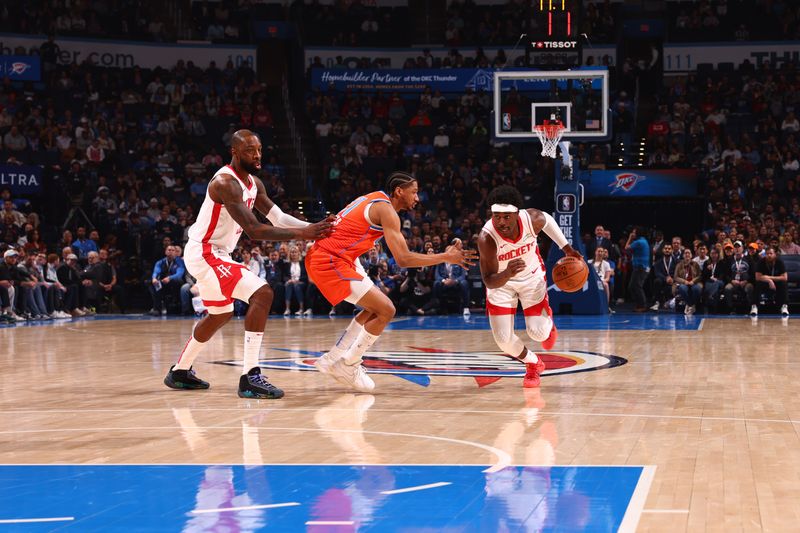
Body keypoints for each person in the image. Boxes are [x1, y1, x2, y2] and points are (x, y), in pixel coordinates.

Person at [163, 129, 332, 399]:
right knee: (262, 293)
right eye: (250, 151)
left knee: (220, 314)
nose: (257, 155)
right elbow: (255, 230)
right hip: (205, 252)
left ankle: (180, 371)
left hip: (217, 253)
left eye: (259, 150)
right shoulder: (224, 183)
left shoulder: (254, 183)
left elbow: (277, 217)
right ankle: (250, 376)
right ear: (235, 152)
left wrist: (312, 228)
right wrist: (304, 234)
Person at [308, 171, 476, 392]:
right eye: (414, 192)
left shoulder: (374, 198)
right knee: (386, 310)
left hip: (337, 255)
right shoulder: (386, 210)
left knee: (374, 308)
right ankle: (349, 364)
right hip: (330, 260)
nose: (418, 198)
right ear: (399, 191)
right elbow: (404, 259)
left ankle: (333, 358)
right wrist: (446, 257)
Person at [477, 186, 582, 388]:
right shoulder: (486, 238)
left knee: (538, 333)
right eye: (496, 216)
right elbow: (489, 280)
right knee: (503, 341)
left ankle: (548, 325)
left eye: (506, 217)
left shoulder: (531, 219)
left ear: (517, 214)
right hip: (501, 284)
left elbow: (548, 221)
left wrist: (567, 248)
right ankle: (533, 363)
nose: (501, 222)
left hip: (531, 278)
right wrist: (507, 273)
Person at [148, 245, 186, 315]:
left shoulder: (180, 262)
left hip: (175, 282)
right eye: (169, 250)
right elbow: (156, 271)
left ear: (175, 253)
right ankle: (157, 308)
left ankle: (178, 306)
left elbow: (179, 274)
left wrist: (170, 278)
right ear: (165, 252)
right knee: (152, 283)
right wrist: (154, 278)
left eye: (173, 250)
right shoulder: (160, 262)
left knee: (177, 280)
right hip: (163, 282)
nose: (171, 252)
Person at [754, 246, 789, 317]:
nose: (769, 255)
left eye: (771, 253)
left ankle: (784, 306)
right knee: (757, 283)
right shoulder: (761, 262)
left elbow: (785, 277)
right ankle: (754, 306)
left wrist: (769, 278)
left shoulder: (779, 262)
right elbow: (757, 277)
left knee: (784, 283)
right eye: (767, 254)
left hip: (777, 283)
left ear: (775, 254)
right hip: (765, 282)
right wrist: (769, 280)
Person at [625, 226, 651, 312]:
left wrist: (629, 238)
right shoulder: (643, 240)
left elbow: (626, 248)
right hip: (641, 267)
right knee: (632, 286)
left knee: (636, 286)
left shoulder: (639, 242)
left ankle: (643, 305)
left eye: (634, 232)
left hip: (640, 267)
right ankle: (639, 304)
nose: (632, 234)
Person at [673, 248, 702, 315]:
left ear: (691, 255)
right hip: (683, 283)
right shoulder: (679, 265)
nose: (687, 254)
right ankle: (691, 305)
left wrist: (693, 281)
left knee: (697, 289)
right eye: (685, 253)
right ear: (683, 255)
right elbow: (675, 277)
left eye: (689, 253)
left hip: (694, 283)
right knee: (682, 288)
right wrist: (684, 281)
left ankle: (690, 305)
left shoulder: (695, 264)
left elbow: (700, 275)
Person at [283, 245, 309, 316]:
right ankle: (287, 309)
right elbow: (284, 276)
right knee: (289, 285)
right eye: (292, 252)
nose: (293, 254)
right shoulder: (287, 264)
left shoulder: (303, 263)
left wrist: (298, 280)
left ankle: (301, 308)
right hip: (290, 282)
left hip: (301, 282)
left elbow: (305, 275)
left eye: (295, 252)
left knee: (297, 286)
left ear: (298, 253)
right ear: (289, 254)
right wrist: (288, 280)